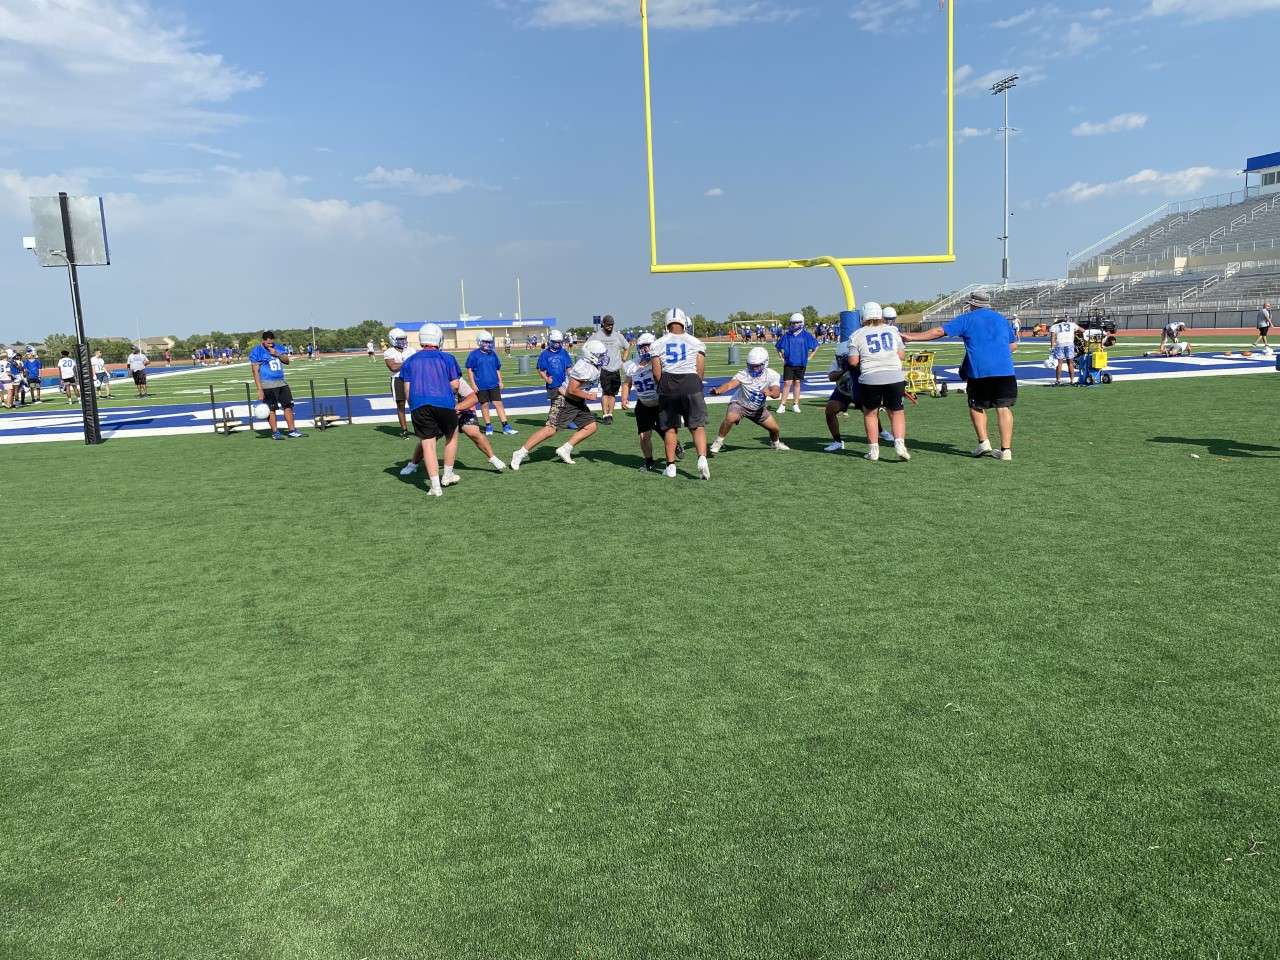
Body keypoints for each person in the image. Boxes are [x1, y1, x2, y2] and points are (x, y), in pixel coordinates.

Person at [903, 289, 1016, 460]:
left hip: (980, 370)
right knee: (1003, 407)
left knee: (976, 406)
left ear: (971, 304)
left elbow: (939, 332)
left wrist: (911, 337)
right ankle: (1006, 450)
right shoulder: (1001, 319)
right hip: (1005, 370)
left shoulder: (967, 319)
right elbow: (1013, 345)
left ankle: (984, 442)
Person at [510, 340, 605, 470]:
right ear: (591, 355)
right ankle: (520, 453)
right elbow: (572, 390)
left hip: (576, 401)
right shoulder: (584, 367)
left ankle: (565, 449)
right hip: (565, 399)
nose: (603, 357)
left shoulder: (590, 365)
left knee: (590, 426)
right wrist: (589, 396)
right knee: (550, 429)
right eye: (600, 355)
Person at [397, 323, 461, 496]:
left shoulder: (410, 361)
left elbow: (407, 390)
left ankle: (435, 486)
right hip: (444, 403)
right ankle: (447, 474)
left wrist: (414, 406)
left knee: (428, 444)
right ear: (438, 339)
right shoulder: (448, 358)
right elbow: (455, 385)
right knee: (452, 436)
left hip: (419, 404)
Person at [400, 376, 506, 478]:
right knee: (428, 439)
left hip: (462, 410)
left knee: (474, 433)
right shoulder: (426, 382)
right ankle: (413, 464)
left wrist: (457, 408)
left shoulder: (455, 379)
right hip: (440, 414)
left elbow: (474, 398)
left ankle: (492, 458)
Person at [652, 308, 711, 480]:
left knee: (670, 428)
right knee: (697, 426)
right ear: (684, 322)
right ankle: (701, 458)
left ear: (667, 323)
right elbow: (700, 370)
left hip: (668, 383)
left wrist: (664, 387)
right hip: (691, 382)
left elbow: (657, 373)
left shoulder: (658, 343)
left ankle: (671, 467)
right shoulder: (696, 342)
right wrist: (696, 386)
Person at [848, 306, 910, 462]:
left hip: (870, 377)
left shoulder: (857, 334)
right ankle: (900, 445)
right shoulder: (892, 331)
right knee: (897, 412)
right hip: (894, 376)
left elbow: (853, 361)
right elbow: (902, 355)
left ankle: (873, 450)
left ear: (863, 316)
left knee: (870, 414)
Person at [708, 347, 788, 454]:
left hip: (758, 409)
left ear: (765, 363)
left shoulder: (772, 374)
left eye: (757, 366)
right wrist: (718, 390)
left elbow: (776, 393)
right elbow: (730, 384)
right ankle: (718, 441)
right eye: (751, 366)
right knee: (730, 418)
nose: (754, 369)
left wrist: (770, 393)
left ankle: (776, 443)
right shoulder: (743, 374)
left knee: (775, 429)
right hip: (740, 404)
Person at [249, 331, 304, 440]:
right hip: (267, 384)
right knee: (271, 409)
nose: (270, 344)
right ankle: (275, 432)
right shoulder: (257, 351)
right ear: (263, 341)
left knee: (288, 406)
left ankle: (292, 430)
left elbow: (287, 361)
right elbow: (255, 372)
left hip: (282, 382)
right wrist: (259, 389)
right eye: (268, 342)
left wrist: (277, 354)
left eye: (272, 342)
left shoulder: (277, 347)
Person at [621, 333, 663, 471]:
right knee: (644, 436)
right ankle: (649, 461)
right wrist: (624, 398)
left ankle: (675, 448)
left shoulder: (660, 361)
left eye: (648, 346)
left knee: (666, 432)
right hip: (643, 403)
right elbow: (627, 383)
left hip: (660, 402)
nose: (645, 349)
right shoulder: (632, 365)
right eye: (642, 347)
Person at [464, 331, 517, 436]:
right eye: (485, 342)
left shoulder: (493, 354)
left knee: (499, 404)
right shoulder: (474, 354)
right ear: (479, 342)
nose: (488, 344)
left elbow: (497, 369)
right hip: (481, 385)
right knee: (484, 405)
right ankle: (488, 426)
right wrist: (473, 384)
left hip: (493, 384)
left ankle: (505, 426)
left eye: (489, 342)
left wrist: (500, 381)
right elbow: (470, 370)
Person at [774, 313, 819, 414]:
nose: (794, 325)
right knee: (787, 383)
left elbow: (816, 346)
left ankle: (796, 404)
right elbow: (778, 347)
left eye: (797, 323)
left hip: (801, 362)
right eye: (793, 323)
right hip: (789, 363)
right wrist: (781, 357)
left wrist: (810, 356)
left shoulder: (806, 335)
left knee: (797, 382)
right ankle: (782, 405)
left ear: (802, 323)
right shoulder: (787, 335)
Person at [594, 314, 631, 424]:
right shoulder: (597, 335)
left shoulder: (618, 336)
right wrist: (596, 360)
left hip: (616, 370)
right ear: (603, 324)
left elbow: (627, 347)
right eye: (608, 324)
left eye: (612, 324)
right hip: (604, 369)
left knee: (613, 393)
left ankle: (610, 413)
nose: (610, 326)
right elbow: (587, 346)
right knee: (606, 393)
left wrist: (623, 359)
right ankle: (605, 414)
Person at [383, 327, 416, 438]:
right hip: (397, 379)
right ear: (393, 339)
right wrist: (407, 362)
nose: (403, 341)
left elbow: (415, 365)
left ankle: (419, 428)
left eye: (404, 339)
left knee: (415, 404)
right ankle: (404, 430)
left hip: (412, 379)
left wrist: (403, 363)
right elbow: (393, 367)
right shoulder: (389, 352)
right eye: (400, 339)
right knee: (401, 405)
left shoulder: (411, 350)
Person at [536, 329, 573, 403]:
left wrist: (570, 376)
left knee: (566, 403)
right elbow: (540, 369)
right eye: (555, 342)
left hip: (564, 383)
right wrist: (546, 379)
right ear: (550, 341)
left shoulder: (563, 352)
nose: (558, 344)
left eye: (559, 342)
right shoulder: (545, 354)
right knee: (556, 404)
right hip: (553, 385)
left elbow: (568, 366)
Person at [1049, 316, 1081, 386]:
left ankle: (1058, 380)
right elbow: (1082, 330)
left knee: (1059, 363)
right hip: (1069, 344)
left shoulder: (1054, 326)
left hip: (1059, 344)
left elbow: (1052, 337)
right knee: (1070, 363)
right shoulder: (1072, 324)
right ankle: (1072, 380)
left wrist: (1052, 347)